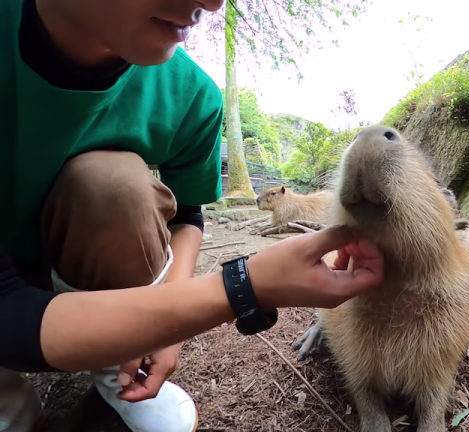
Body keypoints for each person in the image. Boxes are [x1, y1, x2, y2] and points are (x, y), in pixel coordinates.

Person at [0, 0, 385, 431]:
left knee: (112, 183)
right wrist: (244, 285)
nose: (212, 3)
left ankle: (119, 367)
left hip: (75, 258)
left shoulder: (191, 96)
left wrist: (162, 325)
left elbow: (187, 214)